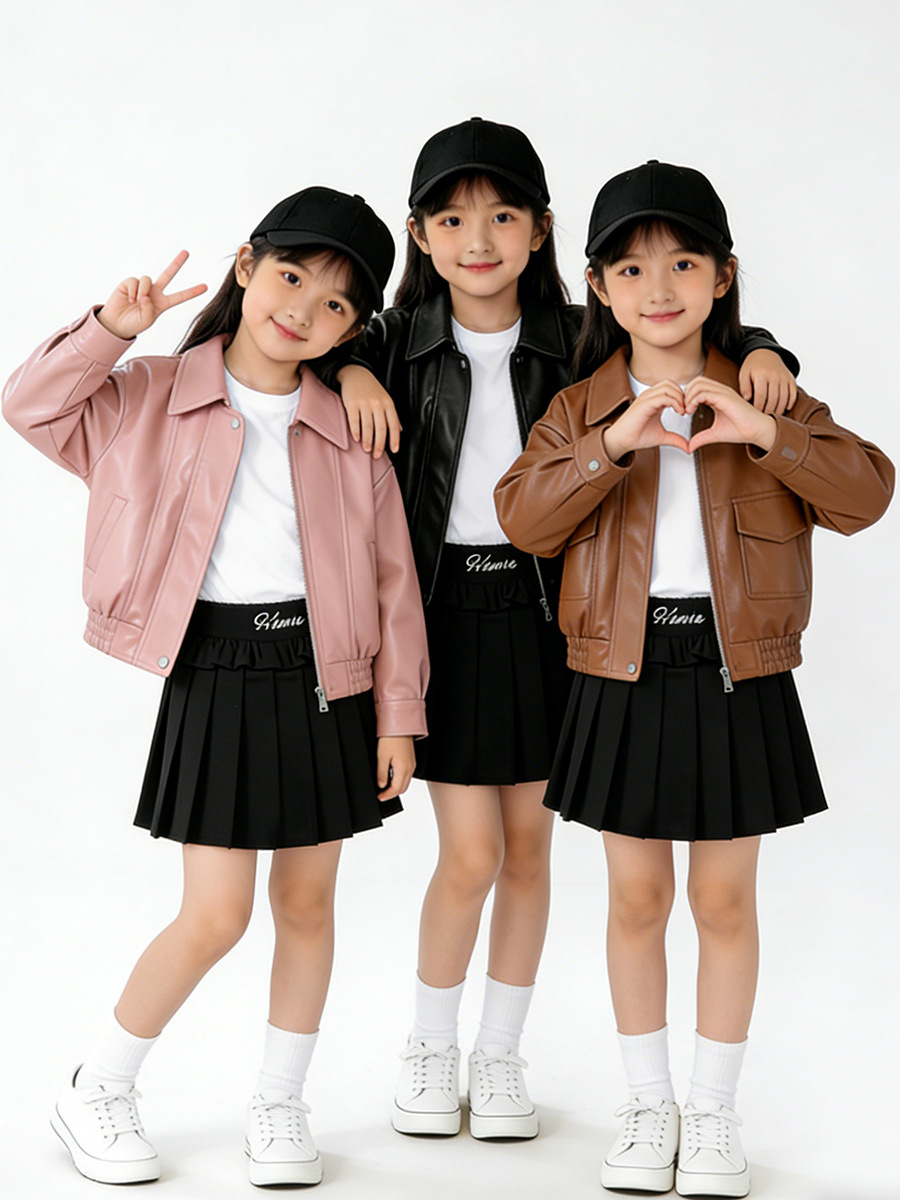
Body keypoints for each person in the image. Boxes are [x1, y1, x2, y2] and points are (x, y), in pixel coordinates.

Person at [337, 121, 801, 1142]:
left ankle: (501, 1055)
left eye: (503, 216)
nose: (479, 240)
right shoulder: (392, 343)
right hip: (442, 612)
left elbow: (675, 325)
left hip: (559, 618)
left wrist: (765, 348)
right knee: (470, 853)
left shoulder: (575, 336)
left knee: (531, 852)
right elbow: (307, 345)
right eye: (451, 219)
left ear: (543, 230)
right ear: (418, 233)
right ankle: (430, 1044)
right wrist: (356, 368)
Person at [2, 187, 429, 1188]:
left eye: (336, 303)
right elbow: (29, 407)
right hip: (217, 670)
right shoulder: (147, 395)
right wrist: (112, 329)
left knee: (310, 904)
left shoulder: (348, 423)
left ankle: (280, 1105)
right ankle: (97, 1087)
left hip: (328, 680)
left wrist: (399, 715)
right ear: (247, 267)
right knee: (217, 914)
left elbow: (392, 580)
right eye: (291, 277)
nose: (304, 310)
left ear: (353, 328)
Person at [495, 160, 893, 1195]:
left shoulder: (767, 391)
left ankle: (713, 1114)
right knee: (636, 899)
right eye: (630, 269)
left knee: (722, 900)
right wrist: (613, 445)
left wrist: (767, 431)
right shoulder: (580, 405)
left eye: (683, 262)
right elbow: (523, 520)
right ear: (598, 286)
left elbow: (865, 495)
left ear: (723, 276)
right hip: (618, 669)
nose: (658, 287)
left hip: (734, 670)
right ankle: (647, 1107)